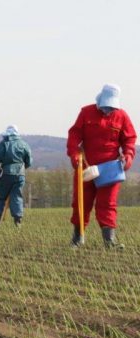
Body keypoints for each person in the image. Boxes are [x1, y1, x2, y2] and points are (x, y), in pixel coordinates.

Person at [67, 84, 136, 249]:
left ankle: (109, 241)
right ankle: (77, 238)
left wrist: (127, 157)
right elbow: (74, 135)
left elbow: (130, 140)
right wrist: (75, 155)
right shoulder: (86, 113)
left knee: (108, 203)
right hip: (86, 167)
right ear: (99, 100)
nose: (108, 110)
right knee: (81, 202)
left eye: (111, 107)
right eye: (106, 106)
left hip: (110, 169)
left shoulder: (122, 116)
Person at [0, 125, 32, 227]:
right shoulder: (24, 144)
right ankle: (18, 221)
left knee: (0, 195)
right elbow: (29, 161)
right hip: (20, 175)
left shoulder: (4, 143)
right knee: (17, 196)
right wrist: (22, 167)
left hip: (6, 173)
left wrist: (0, 163)